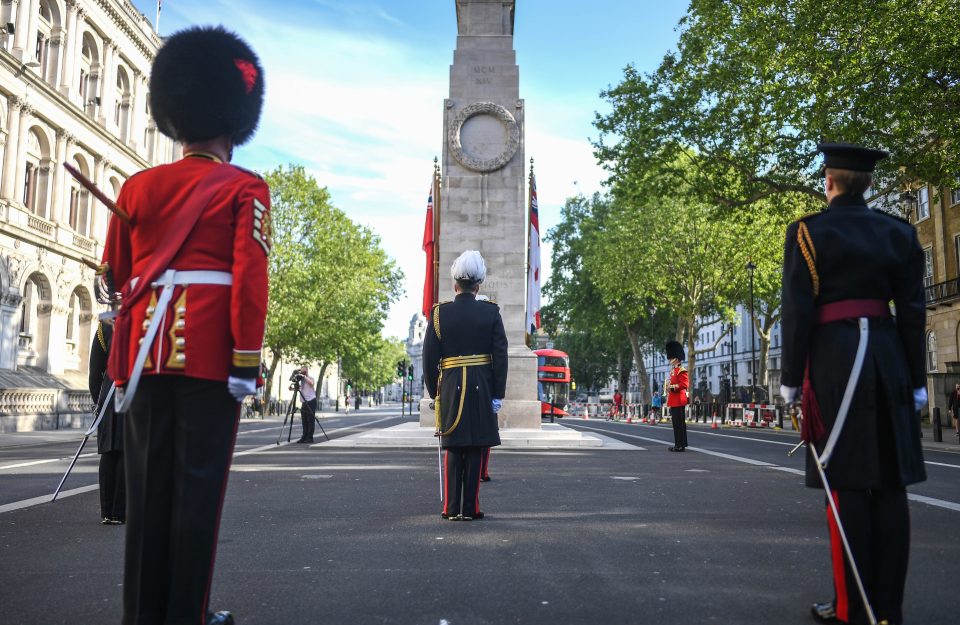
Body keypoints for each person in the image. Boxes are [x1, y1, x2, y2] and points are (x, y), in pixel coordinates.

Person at [102, 25, 268, 625]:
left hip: (142, 361)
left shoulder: (137, 187)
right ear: (233, 123)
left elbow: (116, 279)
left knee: (146, 499)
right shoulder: (245, 187)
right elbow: (250, 284)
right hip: (207, 359)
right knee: (196, 500)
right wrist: (246, 364)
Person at [780, 143, 926, 625]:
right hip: (887, 359)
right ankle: (888, 608)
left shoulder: (806, 232)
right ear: (865, 184)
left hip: (835, 363)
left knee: (843, 484)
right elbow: (912, 313)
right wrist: (917, 381)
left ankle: (851, 608)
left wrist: (789, 379)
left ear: (829, 182)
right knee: (889, 485)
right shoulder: (900, 232)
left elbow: (799, 313)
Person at [422, 250, 508, 521]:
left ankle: (451, 508)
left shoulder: (439, 314)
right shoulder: (491, 312)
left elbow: (429, 358)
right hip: (482, 384)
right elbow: (501, 356)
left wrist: (434, 392)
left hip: (450, 384)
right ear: (478, 285)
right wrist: (498, 393)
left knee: (453, 445)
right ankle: (470, 508)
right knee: (475, 445)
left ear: (454, 284)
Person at [88, 320, 125, 525]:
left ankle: (107, 511)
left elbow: (95, 370)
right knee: (126, 452)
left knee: (109, 451)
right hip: (133, 393)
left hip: (108, 396)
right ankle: (120, 512)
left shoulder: (106, 325)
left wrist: (98, 402)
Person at [665, 341, 689, 451]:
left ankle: (680, 445)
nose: (669, 359)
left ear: (677, 358)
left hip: (679, 400)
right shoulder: (673, 371)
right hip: (674, 400)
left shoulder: (681, 370)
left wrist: (672, 387)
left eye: (671, 357)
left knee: (679, 424)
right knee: (676, 424)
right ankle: (678, 444)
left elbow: (685, 384)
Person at [296, 367, 317, 444]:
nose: (301, 372)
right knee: (304, 420)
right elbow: (301, 389)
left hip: (311, 401)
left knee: (310, 420)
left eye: (303, 370)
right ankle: (304, 436)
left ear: (306, 371)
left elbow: (311, 383)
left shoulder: (310, 378)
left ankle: (310, 437)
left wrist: (304, 376)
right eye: (301, 370)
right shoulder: (301, 381)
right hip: (304, 402)